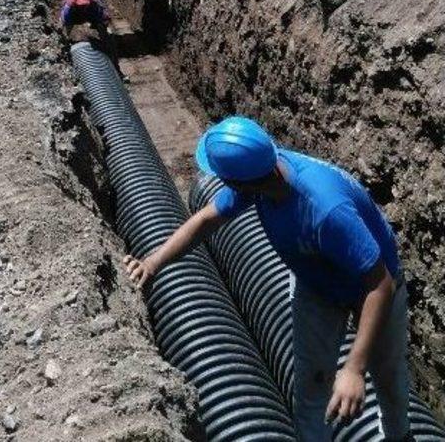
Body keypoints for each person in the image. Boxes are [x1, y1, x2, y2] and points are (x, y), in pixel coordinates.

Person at [123, 116, 413, 442]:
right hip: (317, 284)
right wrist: (153, 261)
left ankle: (400, 437)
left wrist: (354, 369)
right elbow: (206, 220)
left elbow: (380, 284)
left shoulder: (325, 209)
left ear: (239, 182)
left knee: (388, 378)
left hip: (370, 287)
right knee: (313, 384)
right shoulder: (262, 178)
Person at [60, 0, 123, 76]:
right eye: (80, 4)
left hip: (91, 15)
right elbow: (64, 23)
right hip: (74, 16)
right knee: (63, 39)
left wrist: (105, 33)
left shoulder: (96, 4)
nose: (82, 6)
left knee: (109, 39)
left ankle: (116, 70)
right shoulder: (69, 7)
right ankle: (68, 71)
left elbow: (104, 19)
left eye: (85, 4)